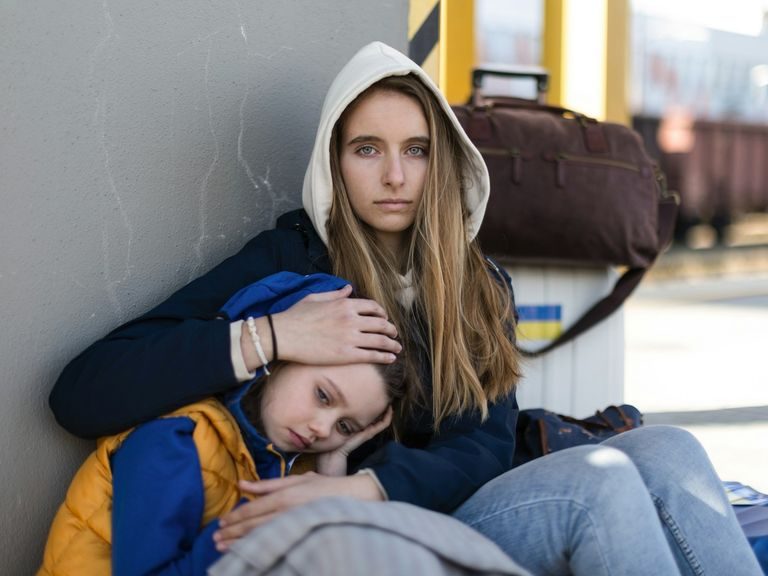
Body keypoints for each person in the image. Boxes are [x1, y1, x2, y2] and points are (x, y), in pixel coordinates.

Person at [48, 41, 762, 575]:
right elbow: (83, 393)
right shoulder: (295, 260)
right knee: (596, 486)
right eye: (367, 149)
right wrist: (271, 334)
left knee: (670, 447)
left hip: (437, 506)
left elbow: (484, 445)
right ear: (335, 162)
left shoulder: (479, 282)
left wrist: (366, 486)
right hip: (386, 541)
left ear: (443, 162)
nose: (394, 176)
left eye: (416, 151)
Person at [38, 272, 406, 576]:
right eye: (323, 396)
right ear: (275, 363)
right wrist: (264, 526)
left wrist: (331, 473)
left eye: (345, 427)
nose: (322, 429)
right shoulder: (176, 442)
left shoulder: (285, 466)